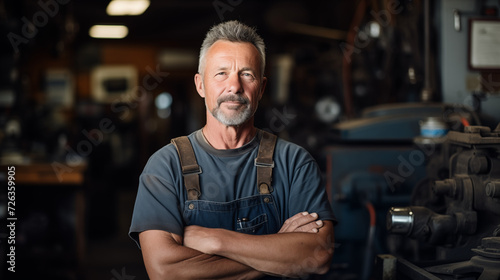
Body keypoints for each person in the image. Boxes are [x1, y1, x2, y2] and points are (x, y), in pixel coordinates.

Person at [129, 20, 336, 280]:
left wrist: (215, 240)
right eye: (221, 73)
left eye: (247, 74)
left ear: (260, 88)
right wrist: (279, 248)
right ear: (200, 85)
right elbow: (165, 271)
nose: (234, 87)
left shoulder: (294, 162)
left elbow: (317, 256)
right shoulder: (164, 167)